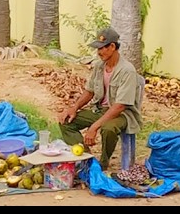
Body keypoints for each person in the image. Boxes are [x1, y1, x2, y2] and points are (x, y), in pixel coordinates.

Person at [58, 27, 144, 170]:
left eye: (102, 48)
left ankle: (104, 162)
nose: (98, 52)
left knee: (108, 128)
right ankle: (87, 158)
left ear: (112, 47)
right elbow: (89, 91)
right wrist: (74, 107)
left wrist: (94, 127)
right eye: (97, 48)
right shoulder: (99, 66)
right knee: (66, 121)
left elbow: (120, 106)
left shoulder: (127, 70)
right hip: (100, 110)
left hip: (122, 114)